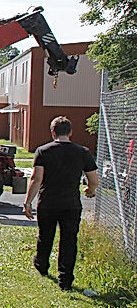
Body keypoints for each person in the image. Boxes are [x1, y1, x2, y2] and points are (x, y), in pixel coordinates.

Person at [22, 115, 99, 291]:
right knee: (69, 240)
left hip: (48, 202)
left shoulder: (43, 151)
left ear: (53, 132)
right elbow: (93, 179)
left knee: (45, 236)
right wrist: (91, 190)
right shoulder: (83, 152)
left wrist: (28, 203)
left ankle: (42, 265)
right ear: (70, 132)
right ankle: (65, 280)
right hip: (71, 204)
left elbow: (36, 178)